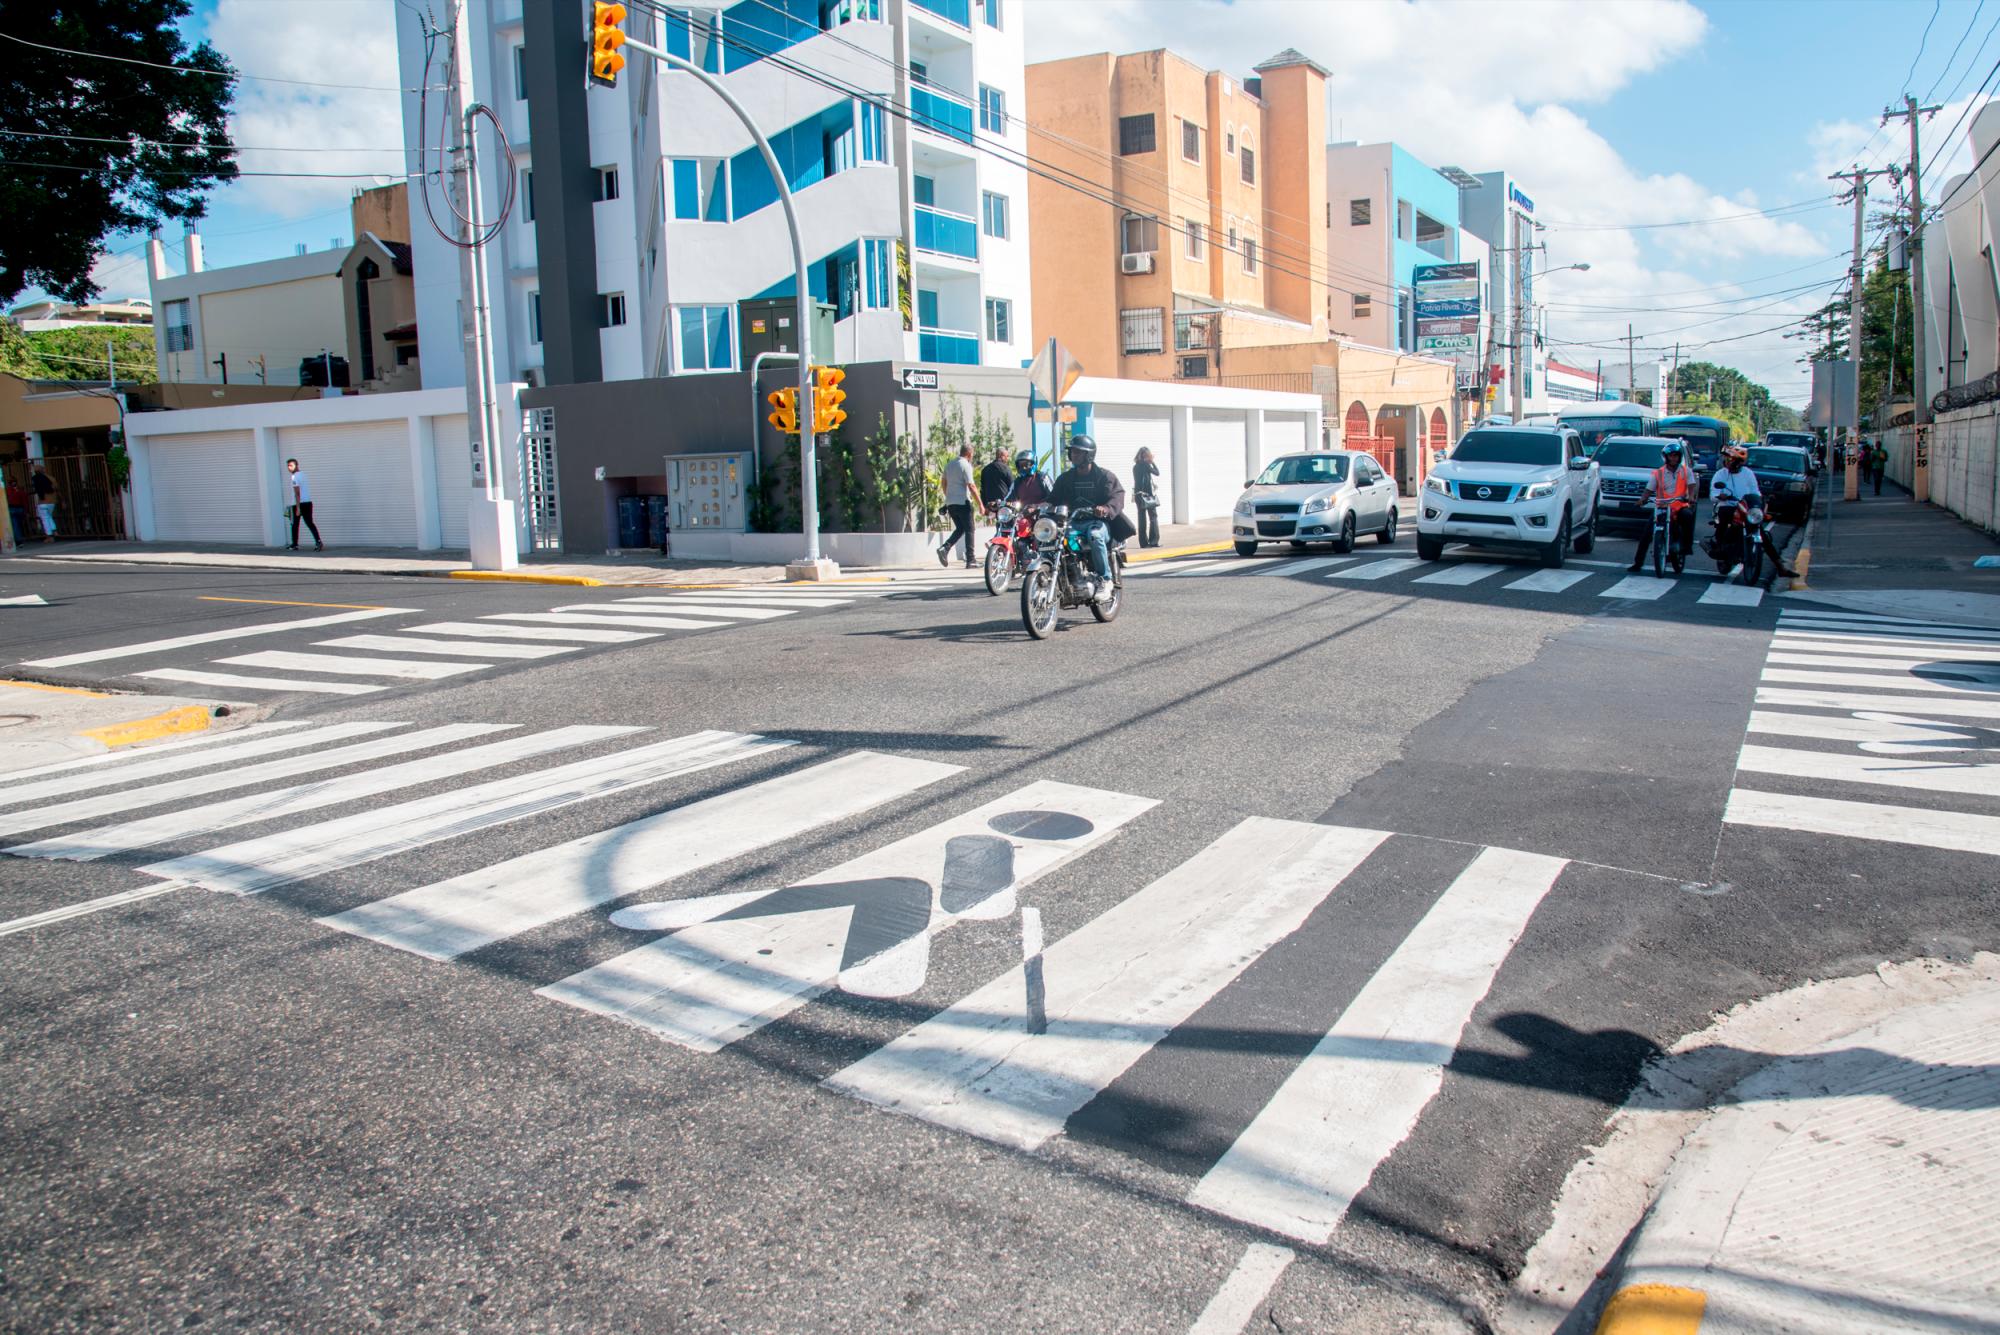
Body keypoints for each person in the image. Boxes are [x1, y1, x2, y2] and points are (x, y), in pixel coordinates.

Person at [1047, 435, 1132, 601]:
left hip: (1099, 523)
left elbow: (1117, 496)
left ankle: (1104, 579)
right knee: (1054, 537)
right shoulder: (1065, 478)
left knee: (1095, 535)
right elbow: (1052, 499)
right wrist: (1041, 508)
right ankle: (1061, 574)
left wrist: (1106, 509)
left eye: (1078, 452)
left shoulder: (1104, 476)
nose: (1074, 455)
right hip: (1073, 523)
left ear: (1089, 455)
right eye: (1072, 452)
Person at [1710, 444, 1796, 578]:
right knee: (1724, 515)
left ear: (1738, 462)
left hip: (1746, 507)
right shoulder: (1720, 474)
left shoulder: (1748, 473)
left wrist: (1759, 502)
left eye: (1730, 459)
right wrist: (1720, 496)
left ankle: (1780, 566)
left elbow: (1755, 491)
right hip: (1728, 505)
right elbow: (1713, 494)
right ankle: (1719, 546)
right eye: (1726, 458)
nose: (1726, 461)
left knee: (1762, 534)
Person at [1627, 441, 1696, 573]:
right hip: (1662, 506)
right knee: (1646, 533)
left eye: (1676, 455)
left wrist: (1691, 497)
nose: (1673, 458)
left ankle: (1686, 546)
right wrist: (1642, 499)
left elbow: (1692, 485)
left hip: (1679, 506)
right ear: (1665, 457)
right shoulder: (1658, 473)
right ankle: (1638, 563)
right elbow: (1648, 490)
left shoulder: (1686, 471)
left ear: (1679, 456)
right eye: (1671, 456)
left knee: (1688, 516)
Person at [937, 443, 980, 568]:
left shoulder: (949, 465)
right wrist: (980, 504)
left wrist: (948, 496)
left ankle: (944, 548)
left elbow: (943, 482)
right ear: (969, 454)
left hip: (951, 503)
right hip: (963, 502)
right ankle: (971, 559)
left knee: (961, 528)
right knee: (970, 530)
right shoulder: (965, 465)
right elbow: (971, 486)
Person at [286, 457, 323, 551]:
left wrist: (298, 507)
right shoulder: (304, 475)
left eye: (291, 465)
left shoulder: (294, 477)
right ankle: (318, 542)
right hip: (307, 502)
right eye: (288, 466)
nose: (289, 468)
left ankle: (295, 544)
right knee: (309, 523)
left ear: (296, 465)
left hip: (298, 504)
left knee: (295, 524)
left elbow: (297, 493)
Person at [1132, 445, 1161, 548]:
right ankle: (1154, 541)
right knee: (1153, 517)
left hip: (1138, 495)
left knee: (1141, 518)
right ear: (1147, 456)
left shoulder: (1135, 466)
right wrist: (1152, 462)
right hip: (1148, 496)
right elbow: (1157, 473)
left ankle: (1143, 543)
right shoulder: (1146, 465)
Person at [30, 465, 57, 542]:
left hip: (43, 502)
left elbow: (37, 489)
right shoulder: (50, 478)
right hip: (52, 501)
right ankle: (54, 530)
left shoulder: (36, 479)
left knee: (45, 519)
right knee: (49, 516)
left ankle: (49, 536)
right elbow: (56, 489)